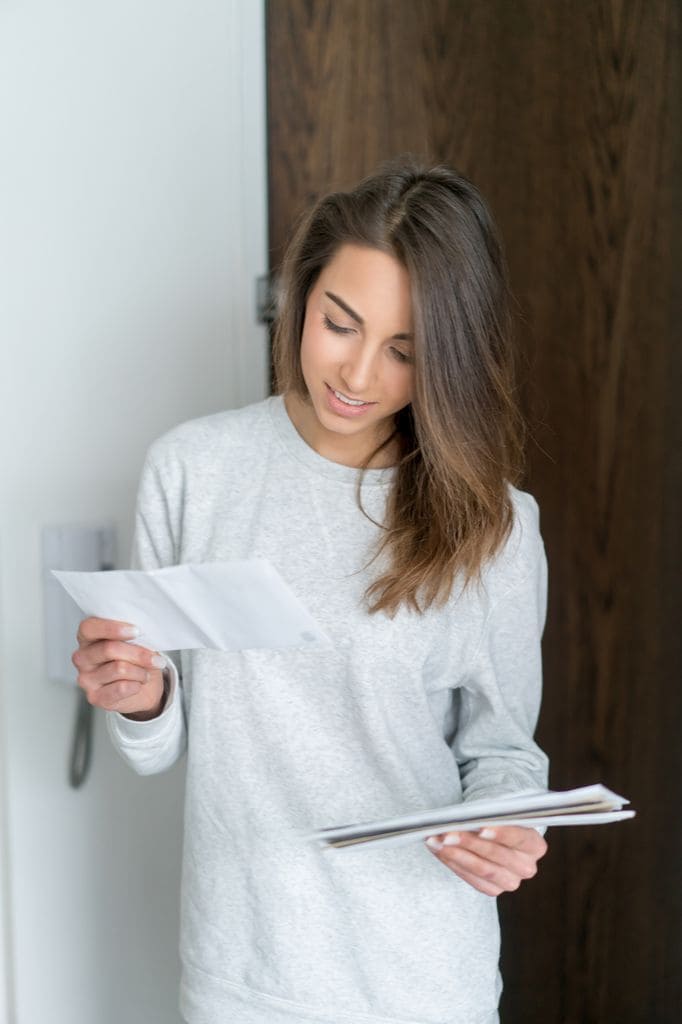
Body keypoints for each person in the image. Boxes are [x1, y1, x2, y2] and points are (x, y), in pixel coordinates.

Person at [73, 158, 549, 1024]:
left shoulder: (496, 525)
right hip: (244, 966)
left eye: (404, 351)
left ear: (447, 358)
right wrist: (140, 698)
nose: (358, 375)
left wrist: (502, 830)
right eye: (340, 323)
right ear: (302, 294)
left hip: (422, 975)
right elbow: (156, 745)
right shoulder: (194, 470)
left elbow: (504, 752)